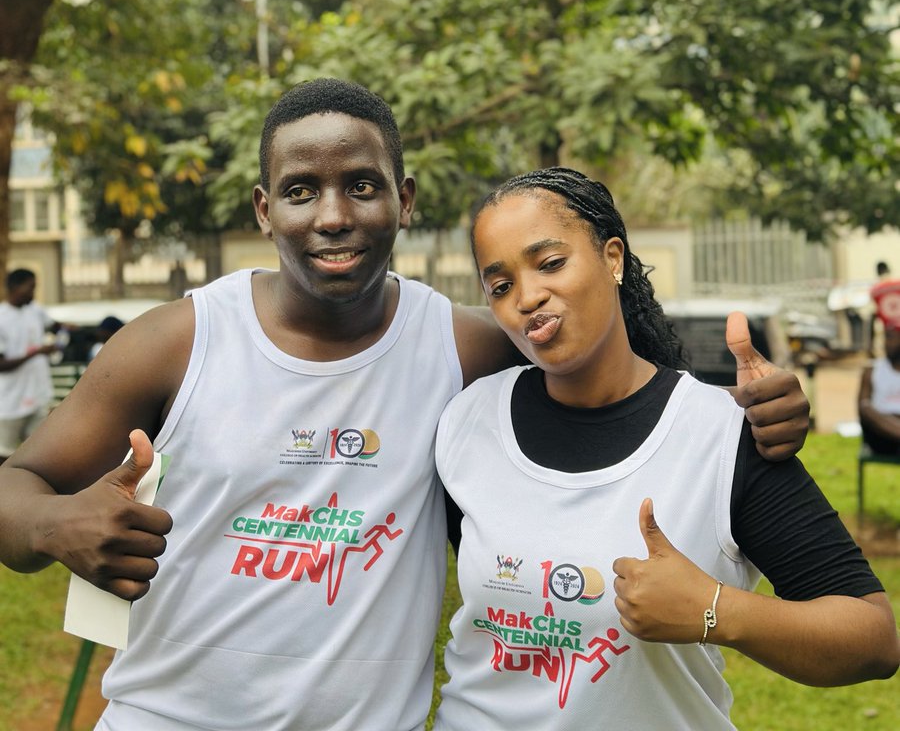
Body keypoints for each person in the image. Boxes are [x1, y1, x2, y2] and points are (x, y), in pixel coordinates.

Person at [0, 80, 809, 731]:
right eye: (300, 191)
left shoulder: (463, 349)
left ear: (405, 198)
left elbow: (623, 391)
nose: (333, 215)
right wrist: (53, 525)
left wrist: (757, 412)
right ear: (263, 209)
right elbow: (17, 481)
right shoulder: (176, 342)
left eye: (361, 185)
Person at [434, 168, 898, 729]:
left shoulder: (720, 436)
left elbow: (873, 639)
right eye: (501, 286)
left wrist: (714, 609)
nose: (528, 297)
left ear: (613, 258)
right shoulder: (467, 422)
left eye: (550, 263)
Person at [0, 268, 63, 464]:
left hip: (37, 395)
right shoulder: (2, 317)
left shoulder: (34, 310)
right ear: (15, 287)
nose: (33, 293)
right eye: (30, 287)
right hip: (9, 401)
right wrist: (36, 352)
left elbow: (55, 326)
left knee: (39, 452)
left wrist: (66, 331)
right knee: (5, 452)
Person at [858, 315, 900, 457]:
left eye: (891, 337)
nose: (886, 343)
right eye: (885, 337)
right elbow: (863, 409)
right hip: (881, 437)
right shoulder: (872, 370)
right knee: (867, 407)